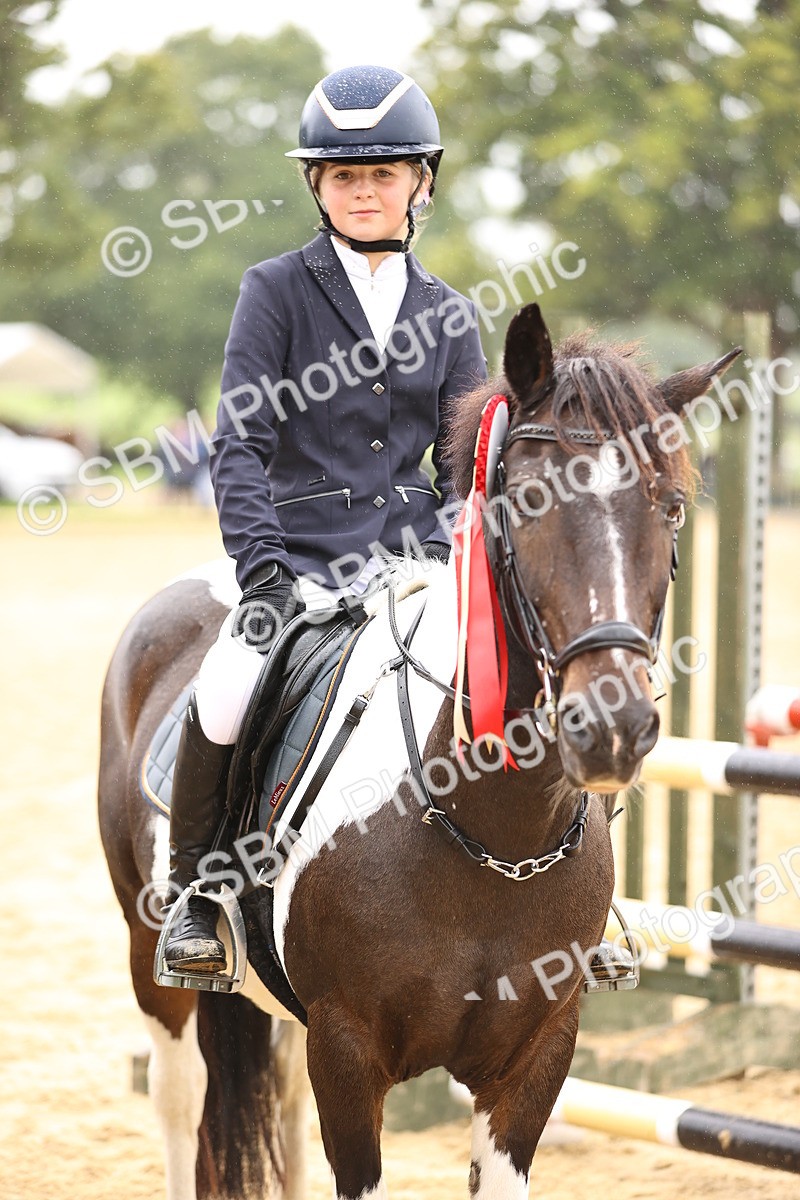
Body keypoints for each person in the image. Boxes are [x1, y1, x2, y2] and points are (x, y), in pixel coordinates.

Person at [161, 64, 488, 977]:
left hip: (420, 562)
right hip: (299, 560)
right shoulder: (275, 290)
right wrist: (262, 565)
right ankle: (194, 892)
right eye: (344, 175)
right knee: (230, 676)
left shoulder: (450, 313)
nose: (363, 190)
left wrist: (469, 551)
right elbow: (240, 443)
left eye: (383, 173)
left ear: (421, 181)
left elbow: (462, 466)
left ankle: (574, 905)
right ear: (318, 185)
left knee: (517, 681)